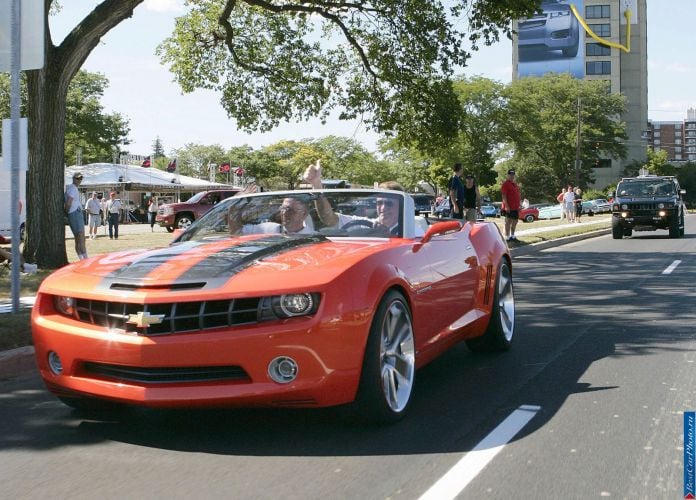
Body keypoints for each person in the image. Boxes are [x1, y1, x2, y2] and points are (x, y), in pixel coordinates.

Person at [303, 160, 411, 236]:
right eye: (379, 203)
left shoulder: (412, 230)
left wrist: (388, 236)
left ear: (401, 206)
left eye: (389, 203)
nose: (382, 208)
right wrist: (317, 184)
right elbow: (328, 218)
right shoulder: (363, 225)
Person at [64, 172, 88, 260]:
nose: (79, 180)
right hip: (75, 213)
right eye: (77, 178)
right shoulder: (73, 188)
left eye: (80, 179)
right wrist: (66, 212)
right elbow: (69, 202)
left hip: (74, 213)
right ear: (73, 179)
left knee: (78, 238)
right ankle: (85, 259)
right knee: (81, 237)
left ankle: (82, 259)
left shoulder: (71, 188)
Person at [500, 169, 521, 242]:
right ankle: (507, 237)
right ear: (508, 175)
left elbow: (518, 195)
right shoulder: (506, 184)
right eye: (510, 174)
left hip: (516, 207)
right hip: (509, 207)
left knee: (515, 221)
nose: (512, 176)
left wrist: (519, 205)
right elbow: (504, 196)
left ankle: (513, 235)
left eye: (513, 175)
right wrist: (507, 206)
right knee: (508, 222)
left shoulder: (514, 184)